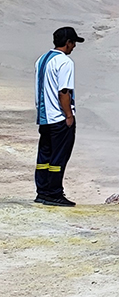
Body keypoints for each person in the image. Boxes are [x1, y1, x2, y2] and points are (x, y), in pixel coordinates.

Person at [34, 26, 84, 207]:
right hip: (58, 118)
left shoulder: (41, 59)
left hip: (44, 117)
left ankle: (42, 192)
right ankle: (54, 193)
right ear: (68, 42)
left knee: (44, 156)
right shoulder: (64, 62)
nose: (74, 47)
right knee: (59, 157)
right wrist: (69, 116)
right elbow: (63, 91)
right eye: (73, 43)